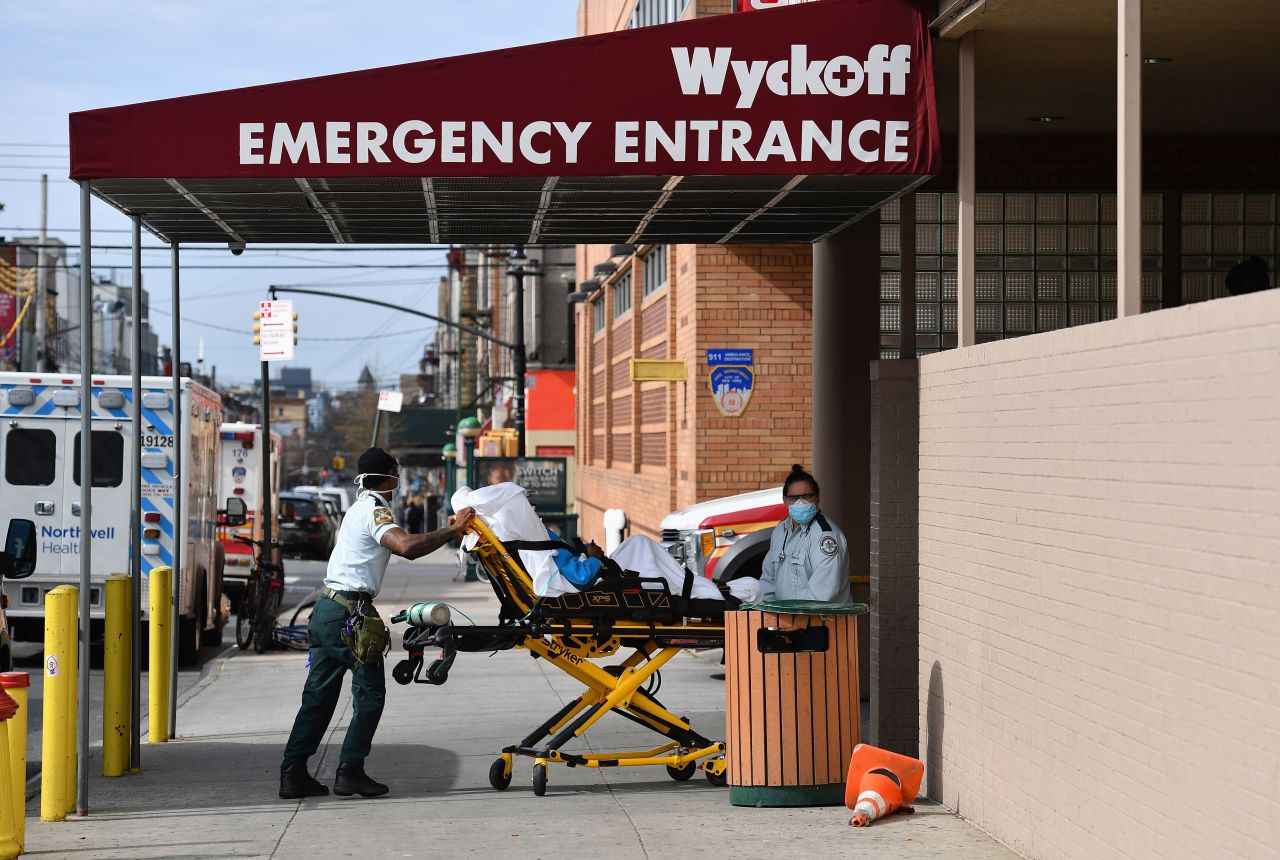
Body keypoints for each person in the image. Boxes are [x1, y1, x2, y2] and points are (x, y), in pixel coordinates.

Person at [279, 447, 475, 800]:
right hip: (349, 616)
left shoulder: (356, 508)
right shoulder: (375, 510)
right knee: (369, 696)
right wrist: (454, 531)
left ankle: (292, 774)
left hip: (326, 609)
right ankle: (350, 771)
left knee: (318, 698)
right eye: (394, 476)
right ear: (389, 478)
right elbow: (406, 547)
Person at [760, 464, 851, 603]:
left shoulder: (825, 536)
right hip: (788, 619)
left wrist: (796, 622)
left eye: (807, 496)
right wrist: (772, 615)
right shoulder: (781, 530)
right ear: (785, 500)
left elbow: (823, 593)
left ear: (817, 497)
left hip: (821, 621)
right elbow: (768, 579)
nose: (801, 502)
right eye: (793, 498)